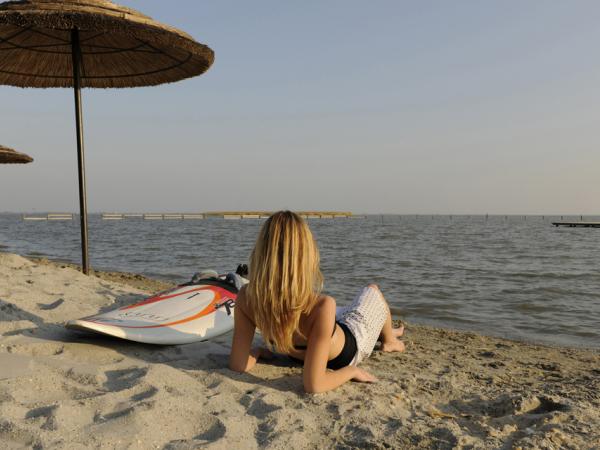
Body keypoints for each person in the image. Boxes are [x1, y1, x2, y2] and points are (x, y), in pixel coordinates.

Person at [228, 211, 405, 393]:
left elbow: (237, 364)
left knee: (342, 314)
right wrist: (351, 371)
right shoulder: (321, 306)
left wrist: (256, 352)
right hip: (350, 346)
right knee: (373, 291)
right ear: (305, 255)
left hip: (299, 352)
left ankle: (390, 332)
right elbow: (314, 385)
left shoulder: (246, 297)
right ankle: (390, 340)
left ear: (261, 253)